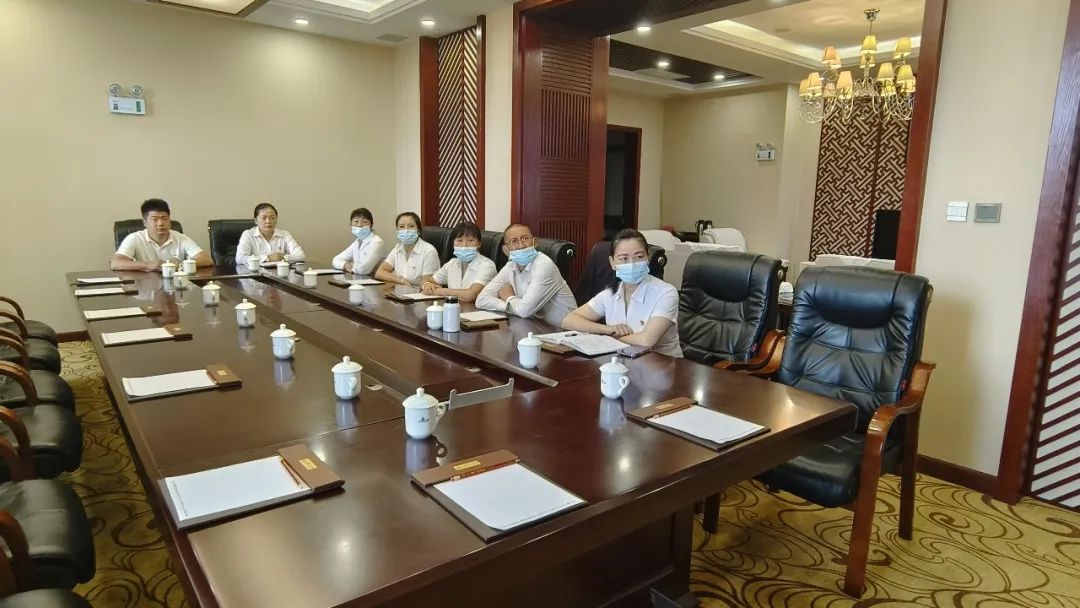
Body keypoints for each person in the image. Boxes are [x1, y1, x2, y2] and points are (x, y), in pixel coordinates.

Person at [561, 229, 682, 358]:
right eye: (624, 258)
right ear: (612, 263)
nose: (632, 264)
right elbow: (569, 321)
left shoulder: (666, 293)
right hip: (622, 361)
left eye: (639, 257)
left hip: (663, 364)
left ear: (648, 258)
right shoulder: (610, 293)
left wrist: (608, 337)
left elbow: (646, 341)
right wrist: (608, 329)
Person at [476, 223, 577, 326]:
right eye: (514, 241)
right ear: (506, 250)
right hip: (535, 326)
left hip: (564, 330)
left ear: (535, 242)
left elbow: (525, 311)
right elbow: (481, 300)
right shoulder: (510, 266)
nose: (521, 245)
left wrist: (509, 298)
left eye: (525, 238)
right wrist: (510, 306)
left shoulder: (544, 266)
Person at [111, 199, 212, 271]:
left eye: (164, 218)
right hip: (146, 286)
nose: (160, 223)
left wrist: (181, 264)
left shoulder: (181, 238)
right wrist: (148, 265)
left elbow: (206, 259)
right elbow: (115, 263)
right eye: (155, 219)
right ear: (145, 223)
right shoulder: (135, 238)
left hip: (175, 286)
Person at [420, 221, 497, 303]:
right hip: (454, 307)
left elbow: (470, 295)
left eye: (470, 240)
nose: (464, 245)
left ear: (479, 244)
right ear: (453, 243)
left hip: (478, 310)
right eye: (459, 240)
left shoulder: (487, 265)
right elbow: (425, 280)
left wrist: (437, 291)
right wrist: (426, 284)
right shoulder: (452, 263)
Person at [374, 212, 440, 286]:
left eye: (411, 226)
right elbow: (379, 272)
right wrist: (401, 281)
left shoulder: (429, 251)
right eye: (401, 227)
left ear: (418, 231)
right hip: (401, 289)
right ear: (397, 231)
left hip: (418, 292)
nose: (406, 230)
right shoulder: (398, 248)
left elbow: (427, 284)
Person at [235, 203, 306, 266]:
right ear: (256, 220)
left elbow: (301, 255)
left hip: (280, 274)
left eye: (272, 218)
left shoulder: (284, 234)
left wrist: (283, 257)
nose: (268, 221)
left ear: (276, 219)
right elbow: (240, 258)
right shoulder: (248, 234)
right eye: (263, 218)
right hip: (256, 274)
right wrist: (268, 258)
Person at [332, 207, 386, 275]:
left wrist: (352, 264)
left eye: (365, 222)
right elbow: (336, 260)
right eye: (356, 221)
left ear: (371, 225)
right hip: (360, 278)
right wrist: (345, 264)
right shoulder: (357, 242)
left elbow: (363, 269)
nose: (360, 225)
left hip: (374, 279)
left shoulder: (377, 242)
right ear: (351, 224)